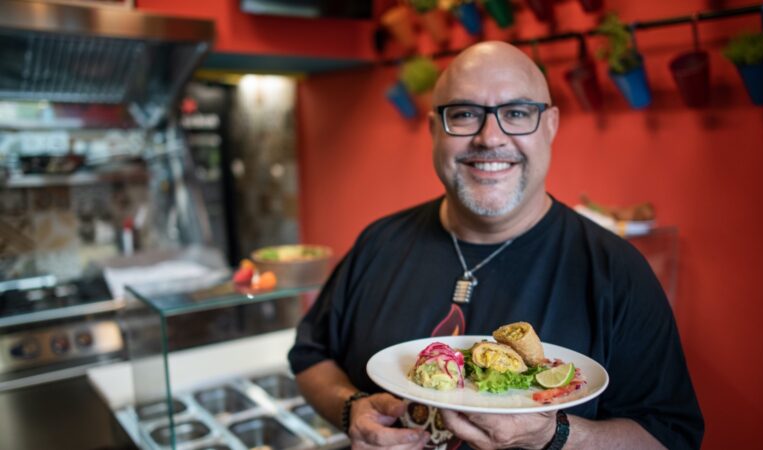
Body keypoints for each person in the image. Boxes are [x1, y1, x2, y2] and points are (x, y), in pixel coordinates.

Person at [288, 41, 703, 450]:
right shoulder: (379, 243)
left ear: (550, 125)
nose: (490, 138)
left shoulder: (616, 271)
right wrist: (351, 409)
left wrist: (556, 436)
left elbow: (669, 438)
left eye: (516, 113)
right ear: (434, 129)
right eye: (465, 114)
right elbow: (311, 356)